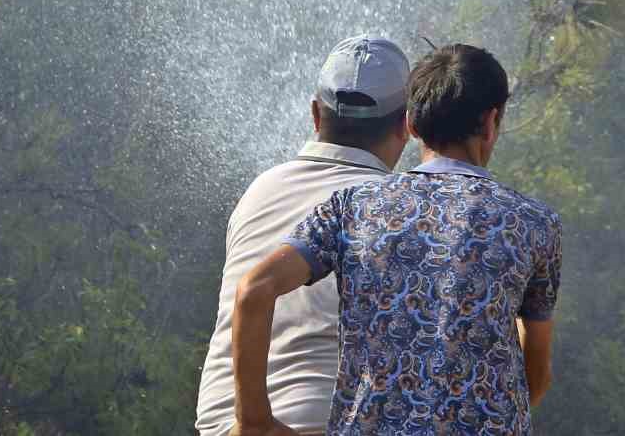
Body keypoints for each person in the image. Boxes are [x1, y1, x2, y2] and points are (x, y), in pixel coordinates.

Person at [230, 44, 562, 436]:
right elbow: (535, 375)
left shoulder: (353, 206)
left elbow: (254, 290)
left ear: (412, 125)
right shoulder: (534, 223)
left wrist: (255, 423)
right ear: (491, 122)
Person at [195, 35, 413, 436]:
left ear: (315, 114)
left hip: (224, 427)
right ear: (407, 126)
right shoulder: (396, 207)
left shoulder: (259, 191)